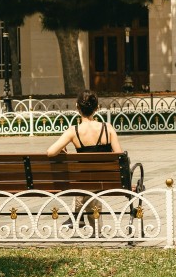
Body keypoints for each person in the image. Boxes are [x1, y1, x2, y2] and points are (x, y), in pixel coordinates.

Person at [47, 89, 122, 232]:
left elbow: (50, 152)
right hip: (107, 179)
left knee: (86, 184)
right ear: (97, 107)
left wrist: (62, 151)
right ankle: (93, 229)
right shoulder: (108, 128)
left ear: (77, 107)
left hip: (84, 181)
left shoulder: (73, 131)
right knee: (91, 188)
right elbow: (119, 156)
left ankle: (76, 216)